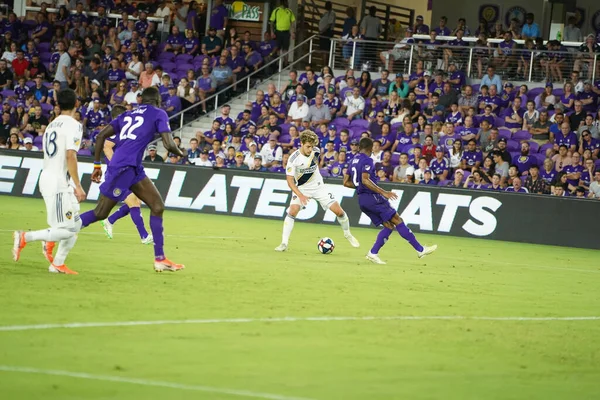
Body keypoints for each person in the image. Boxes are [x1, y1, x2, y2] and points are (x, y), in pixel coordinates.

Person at [78, 87, 185, 272]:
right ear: (158, 100)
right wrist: (181, 153)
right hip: (123, 168)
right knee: (100, 213)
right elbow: (168, 143)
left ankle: (160, 259)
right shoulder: (159, 113)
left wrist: (96, 165)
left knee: (157, 206)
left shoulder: (127, 114)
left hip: (133, 167)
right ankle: (56, 234)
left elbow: (102, 135)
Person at [12, 89, 85, 275]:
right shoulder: (74, 125)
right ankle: (25, 237)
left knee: (76, 224)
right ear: (76, 104)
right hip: (58, 182)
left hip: (52, 176)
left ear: (58, 105)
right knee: (67, 230)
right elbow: (70, 155)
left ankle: (58, 264)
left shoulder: (51, 125)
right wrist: (78, 185)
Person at [344, 137, 436, 265]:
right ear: (370, 149)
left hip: (362, 200)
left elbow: (345, 182)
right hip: (373, 197)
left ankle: (373, 253)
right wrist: (383, 192)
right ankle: (420, 250)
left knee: (389, 225)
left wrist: (360, 187)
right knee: (398, 220)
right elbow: (365, 179)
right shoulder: (368, 160)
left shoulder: (353, 160)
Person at [274, 130, 359, 252]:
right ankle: (284, 243)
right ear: (301, 144)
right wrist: (300, 195)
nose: (310, 149)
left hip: (319, 187)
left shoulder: (316, 152)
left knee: (339, 212)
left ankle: (347, 234)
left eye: (312, 146)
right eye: (308, 146)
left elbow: (314, 166)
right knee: (292, 211)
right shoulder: (293, 159)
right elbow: (290, 181)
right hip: (301, 189)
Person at [99, 105, 153, 245]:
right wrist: (116, 167)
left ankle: (109, 221)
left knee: (136, 201)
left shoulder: (125, 132)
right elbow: (106, 147)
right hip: (118, 173)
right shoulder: (114, 131)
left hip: (127, 172)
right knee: (133, 202)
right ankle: (144, 236)